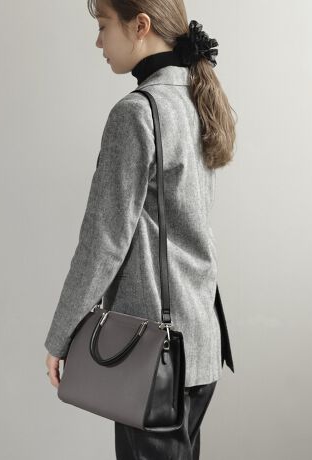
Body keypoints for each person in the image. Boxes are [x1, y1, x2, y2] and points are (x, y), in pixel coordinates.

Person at [44, 0, 236, 458]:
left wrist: (61, 335)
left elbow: (103, 242)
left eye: (103, 25)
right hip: (200, 344)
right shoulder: (194, 98)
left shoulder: (136, 113)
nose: (98, 41)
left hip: (153, 357)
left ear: (140, 26)